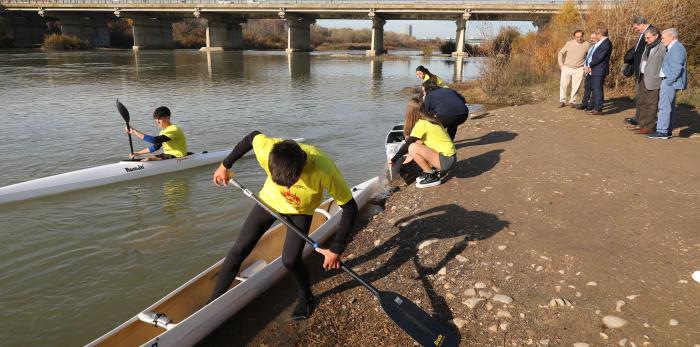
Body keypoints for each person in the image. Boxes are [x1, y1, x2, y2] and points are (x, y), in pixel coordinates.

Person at [208, 132, 358, 320]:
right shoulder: (268, 148)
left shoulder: (324, 168)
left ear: (302, 166)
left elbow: (350, 207)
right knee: (239, 249)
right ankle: (212, 304)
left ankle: (306, 297)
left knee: (290, 260)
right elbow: (251, 138)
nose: (287, 189)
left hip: (300, 211)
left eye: (291, 183)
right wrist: (224, 165)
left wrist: (336, 248)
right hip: (268, 201)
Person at [389, 97, 457, 188]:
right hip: (450, 158)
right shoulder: (431, 119)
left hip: (446, 161)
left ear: (410, 112)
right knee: (416, 144)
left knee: (412, 147)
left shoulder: (421, 124)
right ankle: (430, 171)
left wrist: (393, 159)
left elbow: (408, 145)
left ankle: (432, 176)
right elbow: (420, 142)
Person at [648, 28, 687, 139]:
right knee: (668, 106)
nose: (662, 40)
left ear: (672, 37)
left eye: (664, 38)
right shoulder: (673, 47)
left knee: (664, 106)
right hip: (668, 80)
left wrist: (669, 81)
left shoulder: (677, 48)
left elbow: (677, 68)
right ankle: (666, 130)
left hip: (669, 81)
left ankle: (662, 131)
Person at [625, 16, 656, 126]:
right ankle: (638, 118)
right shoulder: (643, 34)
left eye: (635, 27)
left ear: (641, 24)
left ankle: (643, 120)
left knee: (644, 97)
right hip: (640, 70)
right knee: (640, 96)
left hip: (646, 72)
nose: (635, 29)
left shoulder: (652, 32)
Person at [635, 27, 666, 135]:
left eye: (648, 38)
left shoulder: (662, 47)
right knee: (641, 101)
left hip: (654, 79)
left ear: (656, 36)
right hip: (643, 77)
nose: (646, 40)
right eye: (645, 38)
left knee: (652, 104)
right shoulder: (647, 46)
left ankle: (649, 126)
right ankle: (641, 124)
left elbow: (665, 63)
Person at [557, 29, 591, 108]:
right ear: (574, 37)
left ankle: (573, 101)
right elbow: (561, 53)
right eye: (577, 37)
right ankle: (562, 101)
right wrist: (561, 64)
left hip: (579, 68)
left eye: (581, 36)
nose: (579, 38)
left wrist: (586, 66)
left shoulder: (587, 44)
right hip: (567, 67)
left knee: (576, 86)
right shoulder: (569, 43)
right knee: (563, 85)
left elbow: (590, 56)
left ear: (583, 36)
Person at [585, 27, 613, 116]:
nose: (595, 35)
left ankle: (598, 109)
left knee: (597, 89)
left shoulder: (606, 43)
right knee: (596, 89)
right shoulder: (602, 43)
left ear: (600, 34)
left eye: (596, 34)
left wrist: (590, 65)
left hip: (599, 69)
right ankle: (595, 108)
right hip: (596, 69)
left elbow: (599, 58)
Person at [578, 32, 599, 110]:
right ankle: (584, 103)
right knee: (587, 87)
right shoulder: (591, 47)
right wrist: (585, 66)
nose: (591, 39)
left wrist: (590, 67)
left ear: (598, 38)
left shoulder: (599, 47)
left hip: (595, 70)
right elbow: (587, 58)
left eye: (593, 38)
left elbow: (597, 59)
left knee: (594, 88)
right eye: (591, 38)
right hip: (587, 70)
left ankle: (591, 105)